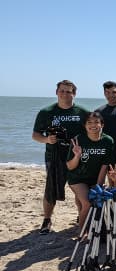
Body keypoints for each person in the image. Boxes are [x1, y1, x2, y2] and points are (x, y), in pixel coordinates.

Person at [32, 80, 90, 234]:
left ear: (74, 94)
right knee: (51, 188)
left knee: (79, 186)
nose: (65, 94)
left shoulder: (82, 112)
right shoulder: (46, 112)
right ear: (56, 92)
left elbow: (92, 129)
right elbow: (35, 135)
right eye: (62, 91)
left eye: (69, 91)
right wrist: (46, 139)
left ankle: (81, 215)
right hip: (54, 155)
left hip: (77, 155)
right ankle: (47, 219)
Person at [65, 112, 114, 231]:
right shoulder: (78, 140)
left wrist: (98, 186)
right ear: (85, 125)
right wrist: (77, 156)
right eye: (89, 122)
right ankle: (83, 232)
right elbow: (70, 167)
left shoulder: (108, 141)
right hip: (77, 178)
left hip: (94, 177)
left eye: (97, 122)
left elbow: (104, 166)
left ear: (102, 124)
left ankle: (83, 218)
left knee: (89, 200)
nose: (93, 125)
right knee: (86, 202)